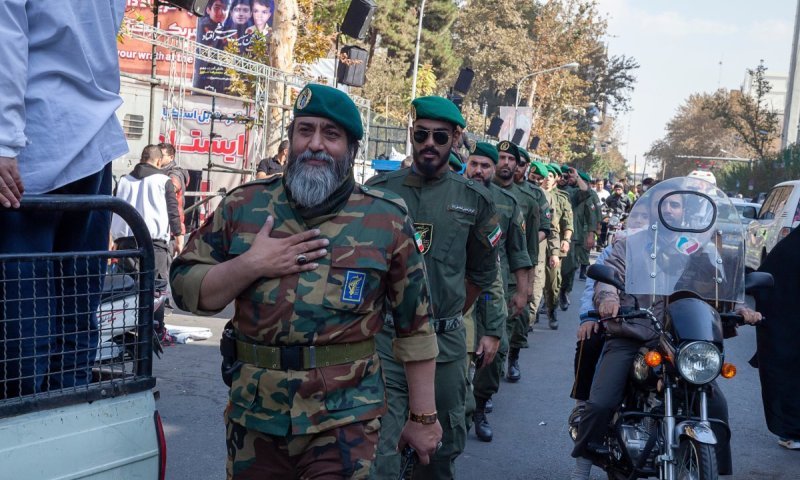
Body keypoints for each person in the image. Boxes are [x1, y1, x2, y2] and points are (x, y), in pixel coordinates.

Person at [170, 84, 442, 478]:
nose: (315, 144)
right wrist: (250, 264)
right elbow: (184, 288)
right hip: (254, 417)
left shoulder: (386, 219)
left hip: (345, 417)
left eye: (330, 135)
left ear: (351, 148)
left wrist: (423, 417)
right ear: (291, 139)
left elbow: (415, 327)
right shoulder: (244, 205)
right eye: (305, 130)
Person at [570, 187, 762, 480]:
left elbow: (717, 282)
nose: (670, 210)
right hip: (633, 331)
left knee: (716, 401)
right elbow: (609, 274)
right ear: (654, 209)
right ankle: (590, 452)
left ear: (683, 212)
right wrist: (607, 297)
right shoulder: (630, 245)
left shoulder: (693, 248)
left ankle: (712, 465)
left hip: (677, 338)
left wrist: (739, 306)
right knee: (601, 402)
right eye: (664, 205)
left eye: (675, 206)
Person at [367, 96, 500, 479]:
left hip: (445, 343)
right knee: (380, 449)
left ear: (456, 139)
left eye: (439, 137)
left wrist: (446, 314)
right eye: (421, 134)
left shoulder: (473, 200)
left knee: (439, 452)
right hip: (386, 343)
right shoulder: (378, 191)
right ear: (412, 134)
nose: (429, 143)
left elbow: (481, 272)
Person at [0, 0, 129, 398]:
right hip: (93, 140)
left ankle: (27, 425)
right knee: (76, 308)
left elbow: (7, 40)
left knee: (25, 319)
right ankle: (67, 414)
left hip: (33, 148)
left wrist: (3, 141)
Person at [464, 142, 531, 441]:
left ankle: (479, 405)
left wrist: (523, 290)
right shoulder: (453, 195)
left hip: (493, 288)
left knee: (495, 347)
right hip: (455, 287)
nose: (478, 171)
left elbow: (519, 251)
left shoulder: (506, 203)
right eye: (474, 164)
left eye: (485, 166)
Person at [111, 145, 182, 341]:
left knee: (127, 286)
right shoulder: (163, 181)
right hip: (155, 242)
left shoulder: (123, 180)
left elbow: (112, 209)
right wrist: (179, 236)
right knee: (156, 287)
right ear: (159, 161)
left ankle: (123, 330)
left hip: (125, 241)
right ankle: (156, 331)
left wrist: (111, 237)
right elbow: (172, 211)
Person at [493, 142, 540, 383]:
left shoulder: (528, 200)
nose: (507, 163)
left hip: (512, 277)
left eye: (512, 160)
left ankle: (513, 359)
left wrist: (527, 287)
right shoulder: (479, 190)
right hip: (483, 277)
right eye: (501, 157)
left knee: (511, 328)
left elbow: (530, 248)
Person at [753, 226, 800, 450]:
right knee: (789, 375)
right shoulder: (792, 248)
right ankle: (792, 431)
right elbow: (770, 278)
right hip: (790, 325)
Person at [194, 0, 232, 93]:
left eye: (225, 9)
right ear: (208, 10)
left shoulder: (230, 29)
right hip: (202, 80)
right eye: (217, 8)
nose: (221, 13)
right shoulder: (202, 27)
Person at [159, 142, 190, 255]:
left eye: (162, 155)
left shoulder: (176, 172)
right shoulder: (158, 171)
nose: (159, 158)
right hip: (161, 228)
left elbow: (172, 187)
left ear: (171, 157)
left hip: (172, 229)